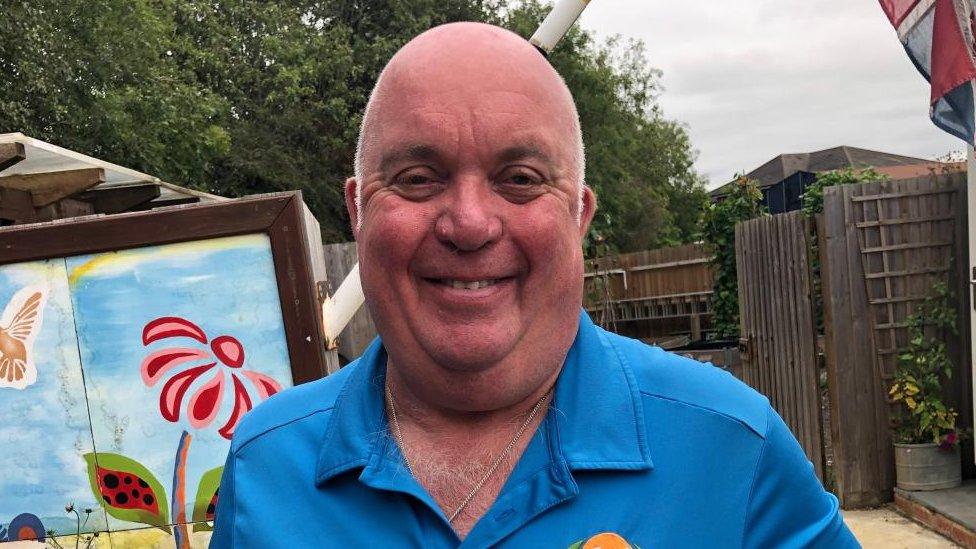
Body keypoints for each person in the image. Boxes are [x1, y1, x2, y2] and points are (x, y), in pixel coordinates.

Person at [210, 22, 859, 548]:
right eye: (417, 176)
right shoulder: (265, 464)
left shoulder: (729, 450)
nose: (468, 222)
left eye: (519, 177)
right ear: (358, 210)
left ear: (578, 214)